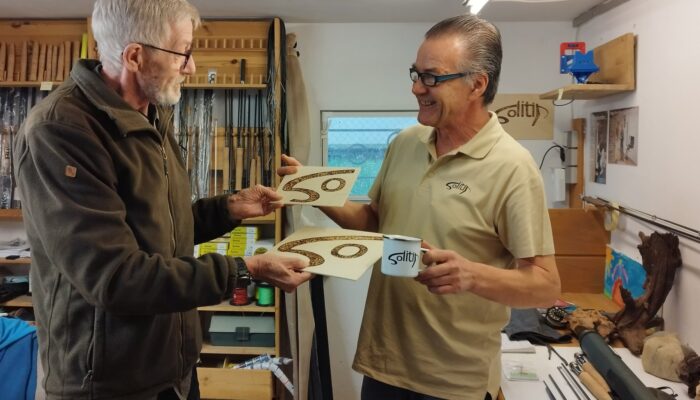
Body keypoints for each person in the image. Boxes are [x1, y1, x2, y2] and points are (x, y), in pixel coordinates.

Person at [13, 0, 313, 399]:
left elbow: (158, 229)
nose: (191, 67)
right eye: (183, 53)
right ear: (135, 57)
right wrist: (247, 269)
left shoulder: (150, 114)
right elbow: (116, 277)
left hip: (172, 369)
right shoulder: (61, 131)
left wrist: (227, 208)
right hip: (108, 383)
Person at [279, 14, 560, 400]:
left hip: (453, 381)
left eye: (432, 77)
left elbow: (545, 285)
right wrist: (310, 187)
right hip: (383, 365)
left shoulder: (513, 167)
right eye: (415, 73)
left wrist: (471, 275)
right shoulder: (406, 143)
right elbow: (375, 221)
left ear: (477, 84)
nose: (416, 87)